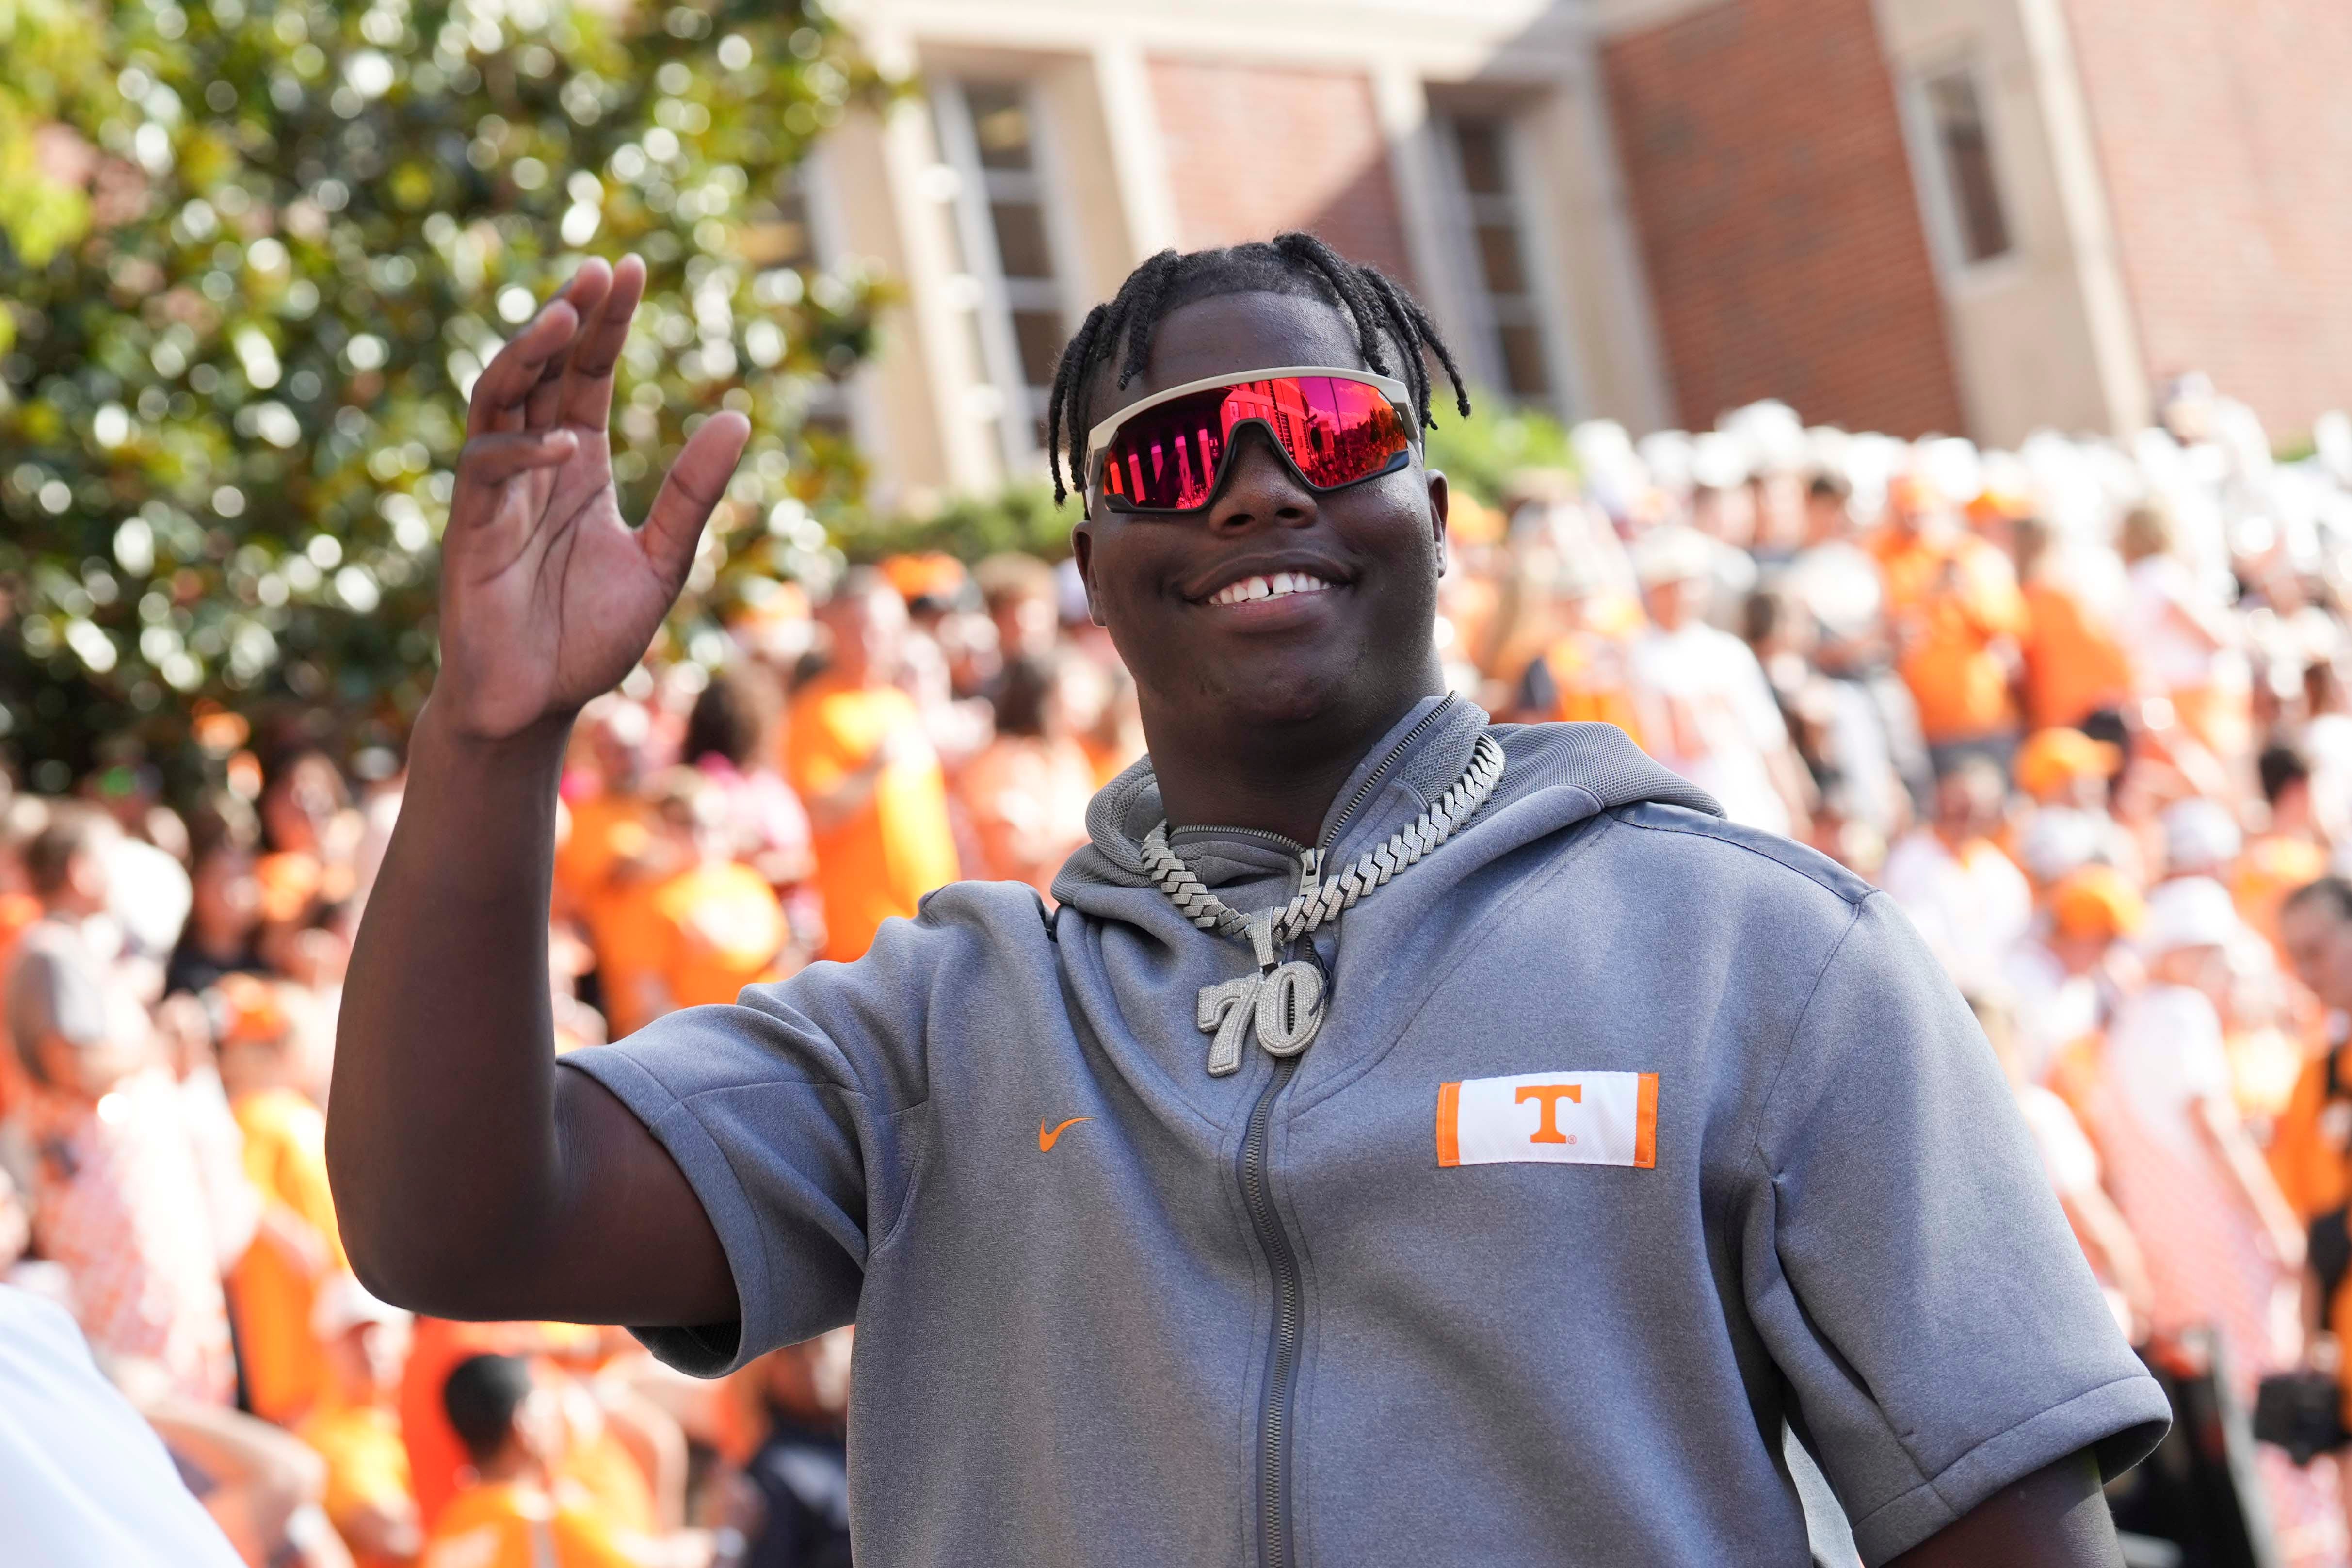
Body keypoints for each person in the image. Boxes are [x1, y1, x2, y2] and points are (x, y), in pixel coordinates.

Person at [335, 241, 2165, 1567]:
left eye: (1326, 428)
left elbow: (2005, 1526)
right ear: (1093, 564)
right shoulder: (944, 1024)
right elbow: (462, 1224)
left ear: (1432, 504)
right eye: (1165, 451)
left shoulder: (1751, 953)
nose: (1255, 484)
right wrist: (492, 732)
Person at [7, 808, 234, 1405]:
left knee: (178, 1347)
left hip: (133, 1197)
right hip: (108, 1206)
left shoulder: (72, 950)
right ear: (81, 871)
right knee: (150, 1364)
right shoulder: (49, 951)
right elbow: (72, 1065)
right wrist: (160, 1045)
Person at [784, 569, 961, 961]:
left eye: (880, 630)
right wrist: (874, 767)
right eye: (855, 628)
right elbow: (822, 814)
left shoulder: (900, 704)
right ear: (831, 631)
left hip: (931, 921)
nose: (868, 642)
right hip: (866, 935)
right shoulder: (816, 711)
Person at [424, 1354, 706, 1568]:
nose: (556, 1422)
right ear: (523, 1426)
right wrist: (725, 1537)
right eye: (545, 1409)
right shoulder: (549, 1521)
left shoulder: (446, 1531)